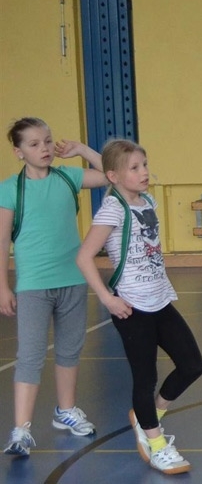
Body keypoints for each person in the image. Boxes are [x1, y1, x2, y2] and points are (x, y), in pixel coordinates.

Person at [76, 139, 202, 475]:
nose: (144, 172)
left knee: (192, 365)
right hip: (131, 307)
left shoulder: (146, 200)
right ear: (115, 176)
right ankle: (156, 444)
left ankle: (150, 416)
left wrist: (83, 150)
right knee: (145, 378)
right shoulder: (113, 209)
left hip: (160, 299)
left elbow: (112, 166)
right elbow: (84, 257)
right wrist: (108, 298)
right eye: (135, 168)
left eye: (144, 164)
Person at [0, 117, 108, 457]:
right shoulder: (10, 189)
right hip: (33, 285)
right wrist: (3, 286)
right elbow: (2, 242)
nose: (44, 148)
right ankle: (21, 430)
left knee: (69, 350)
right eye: (34, 144)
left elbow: (113, 175)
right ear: (19, 152)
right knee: (30, 356)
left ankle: (66, 410)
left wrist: (82, 150)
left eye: (47, 141)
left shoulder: (68, 177)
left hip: (73, 279)